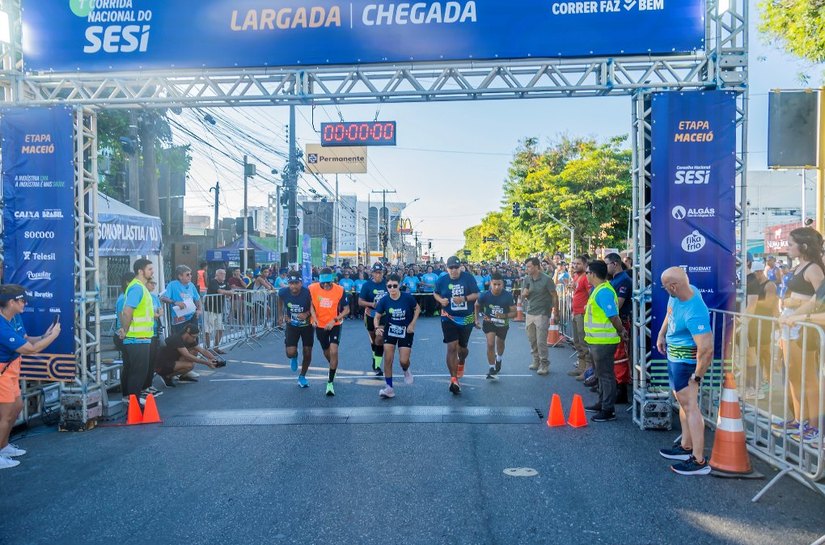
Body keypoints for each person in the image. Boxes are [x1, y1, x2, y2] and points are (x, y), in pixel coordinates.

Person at [656, 266, 713, 475]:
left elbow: (706, 350)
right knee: (683, 403)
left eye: (664, 287)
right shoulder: (678, 294)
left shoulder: (694, 310)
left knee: (690, 407)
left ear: (673, 285)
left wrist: (696, 377)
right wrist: (662, 334)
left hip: (685, 363)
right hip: (675, 358)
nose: (664, 290)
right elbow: (669, 313)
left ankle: (699, 461)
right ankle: (686, 446)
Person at [0, 285, 61, 469]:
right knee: (6, 414)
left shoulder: (15, 317)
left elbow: (27, 339)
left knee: (17, 407)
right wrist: (54, 336)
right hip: (2, 371)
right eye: (22, 301)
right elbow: (31, 350)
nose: (25, 303)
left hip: (12, 368)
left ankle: (3, 446)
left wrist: (46, 335)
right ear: (11, 302)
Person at [775, 227, 825, 442]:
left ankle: (813, 425)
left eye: (791, 244)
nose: (787, 247)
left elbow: (820, 299)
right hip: (789, 325)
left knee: (808, 378)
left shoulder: (814, 269)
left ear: (803, 246)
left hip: (803, 329)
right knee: (794, 376)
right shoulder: (798, 267)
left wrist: (797, 307)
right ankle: (799, 418)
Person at [582, 260, 627, 422]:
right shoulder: (599, 290)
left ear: (593, 274)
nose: (586, 276)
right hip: (597, 340)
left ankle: (608, 409)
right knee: (600, 374)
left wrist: (621, 330)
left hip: (604, 341)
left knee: (605, 375)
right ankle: (602, 403)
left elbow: (613, 316)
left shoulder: (604, 292)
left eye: (587, 273)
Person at [434, 256, 480, 394]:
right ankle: (453, 379)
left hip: (466, 318)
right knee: (451, 347)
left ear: (460, 267)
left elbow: (477, 294)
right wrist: (441, 300)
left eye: (456, 267)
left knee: (462, 349)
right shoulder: (442, 280)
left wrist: (464, 299)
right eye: (451, 268)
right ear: (447, 268)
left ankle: (461, 362)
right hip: (448, 318)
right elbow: (435, 293)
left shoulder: (468, 278)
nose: (454, 270)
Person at [373, 273, 420, 398]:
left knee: (403, 361)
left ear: (399, 285)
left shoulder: (407, 297)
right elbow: (377, 317)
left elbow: (417, 309)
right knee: (388, 359)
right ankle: (389, 388)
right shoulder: (384, 300)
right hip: (390, 330)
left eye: (394, 286)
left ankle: (406, 370)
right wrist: (377, 328)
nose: (392, 289)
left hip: (406, 330)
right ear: (386, 287)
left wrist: (412, 324)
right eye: (389, 286)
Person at [117, 258, 156, 405]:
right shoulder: (137, 288)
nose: (152, 272)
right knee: (138, 372)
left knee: (136, 371)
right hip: (136, 338)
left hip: (140, 337)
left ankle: (131, 399)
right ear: (140, 271)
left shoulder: (139, 287)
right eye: (150, 269)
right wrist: (125, 330)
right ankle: (133, 402)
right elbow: (127, 312)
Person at [310, 267, 350, 397]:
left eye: (329, 283)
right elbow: (310, 305)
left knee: (334, 351)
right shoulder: (312, 288)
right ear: (320, 281)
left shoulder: (340, 290)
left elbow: (347, 309)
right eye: (324, 283)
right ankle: (333, 366)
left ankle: (330, 382)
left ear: (332, 281)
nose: (326, 285)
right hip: (320, 325)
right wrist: (314, 319)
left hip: (335, 324)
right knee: (327, 352)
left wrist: (335, 320)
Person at [475, 272, 517, 380]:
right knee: (490, 344)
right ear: (490, 284)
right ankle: (492, 368)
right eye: (494, 284)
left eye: (499, 284)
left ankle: (499, 359)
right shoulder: (484, 295)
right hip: (489, 323)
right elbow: (476, 306)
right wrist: (477, 319)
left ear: (502, 284)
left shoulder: (507, 296)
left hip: (503, 323)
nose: (497, 287)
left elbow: (514, 313)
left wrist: (504, 315)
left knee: (500, 343)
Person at [745, 259, 776, 400]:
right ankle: (761, 379)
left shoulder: (769, 285)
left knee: (764, 352)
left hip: (764, 322)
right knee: (754, 352)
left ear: (759, 272)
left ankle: (768, 380)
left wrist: (753, 303)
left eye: (755, 273)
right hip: (754, 322)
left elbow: (770, 304)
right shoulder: (755, 283)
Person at [521, 257, 557, 376]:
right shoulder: (527, 279)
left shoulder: (546, 279)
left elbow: (554, 295)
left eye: (529, 266)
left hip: (542, 313)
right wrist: (524, 294)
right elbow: (523, 294)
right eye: (526, 267)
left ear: (537, 267)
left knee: (541, 341)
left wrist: (556, 311)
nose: (527, 269)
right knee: (532, 340)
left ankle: (544, 364)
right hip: (530, 312)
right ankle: (536, 361)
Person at [278, 272, 314, 388]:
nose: (294, 286)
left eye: (296, 283)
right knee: (290, 353)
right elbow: (280, 301)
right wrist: (281, 315)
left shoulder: (308, 293)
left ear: (301, 283)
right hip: (292, 325)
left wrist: (307, 313)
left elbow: (315, 307)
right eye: (291, 283)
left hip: (307, 326)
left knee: (307, 352)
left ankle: (302, 376)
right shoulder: (283, 292)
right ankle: (294, 356)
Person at [605, 253, 632, 404]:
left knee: (620, 356)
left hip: (620, 320)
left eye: (607, 264)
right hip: (614, 321)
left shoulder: (623, 280)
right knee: (614, 355)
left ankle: (621, 389)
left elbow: (618, 305)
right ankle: (615, 385)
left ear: (615, 263)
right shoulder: (614, 280)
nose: (606, 267)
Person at [359, 263, 388, 376]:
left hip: (383, 315)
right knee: (373, 339)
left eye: (380, 272)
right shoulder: (367, 285)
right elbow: (360, 302)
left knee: (379, 338)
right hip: (370, 314)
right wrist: (372, 304)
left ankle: (376, 365)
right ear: (372, 273)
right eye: (376, 272)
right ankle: (375, 356)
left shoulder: (386, 284)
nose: (378, 274)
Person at [570, 255, 594, 380]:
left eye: (578, 264)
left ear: (585, 265)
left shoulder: (585, 277)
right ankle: (581, 367)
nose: (575, 266)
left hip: (582, 313)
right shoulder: (576, 277)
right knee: (577, 341)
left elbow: (590, 294)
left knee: (584, 342)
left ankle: (587, 370)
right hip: (575, 312)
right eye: (574, 263)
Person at [160, 265, 202, 336]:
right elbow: (163, 298)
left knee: (193, 338)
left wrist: (199, 310)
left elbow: (197, 298)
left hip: (192, 316)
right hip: (179, 317)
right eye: (187, 274)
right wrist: (175, 302)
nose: (190, 276)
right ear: (180, 276)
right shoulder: (172, 285)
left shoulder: (191, 285)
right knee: (180, 338)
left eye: (190, 274)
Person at [204, 268, 232, 353]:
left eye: (224, 274)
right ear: (216, 274)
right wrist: (227, 292)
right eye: (221, 274)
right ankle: (208, 349)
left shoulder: (224, 282)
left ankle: (216, 348)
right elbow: (220, 291)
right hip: (210, 309)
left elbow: (230, 291)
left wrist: (227, 292)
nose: (223, 275)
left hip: (219, 309)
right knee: (208, 330)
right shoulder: (213, 282)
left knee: (220, 329)